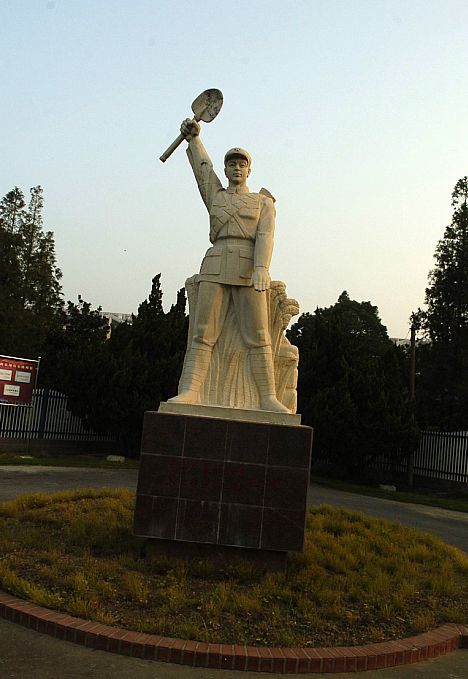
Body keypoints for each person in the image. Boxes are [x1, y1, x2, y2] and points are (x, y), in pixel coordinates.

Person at [169, 118, 289, 413]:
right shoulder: (216, 196)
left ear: (249, 170)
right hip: (215, 262)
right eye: (232, 164)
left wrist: (261, 268)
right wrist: (194, 139)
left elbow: (265, 236)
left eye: (241, 165)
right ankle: (190, 391)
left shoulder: (262, 203)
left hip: (248, 266)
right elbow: (203, 170)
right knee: (203, 333)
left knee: (258, 335)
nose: (237, 169)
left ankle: (267, 397)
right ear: (225, 170)